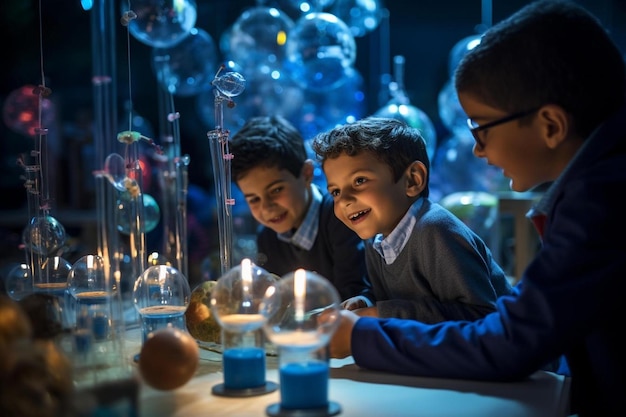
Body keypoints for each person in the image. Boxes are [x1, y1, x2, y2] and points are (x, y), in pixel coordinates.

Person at [324, 1, 626, 416]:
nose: (477, 149)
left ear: (550, 126)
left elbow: (511, 340)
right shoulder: (598, 185)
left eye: (481, 127)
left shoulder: (602, 202)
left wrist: (363, 336)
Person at [311, 116, 512, 322]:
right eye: (335, 192)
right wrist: (367, 302)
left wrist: (380, 313)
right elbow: (398, 299)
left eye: (359, 181)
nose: (344, 200)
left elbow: (481, 317)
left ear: (413, 179)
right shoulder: (377, 239)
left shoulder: (436, 230)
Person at [229, 115, 373, 308]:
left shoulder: (340, 218)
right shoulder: (268, 238)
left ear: (306, 173)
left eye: (276, 190)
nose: (266, 207)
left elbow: (353, 292)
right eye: (254, 199)